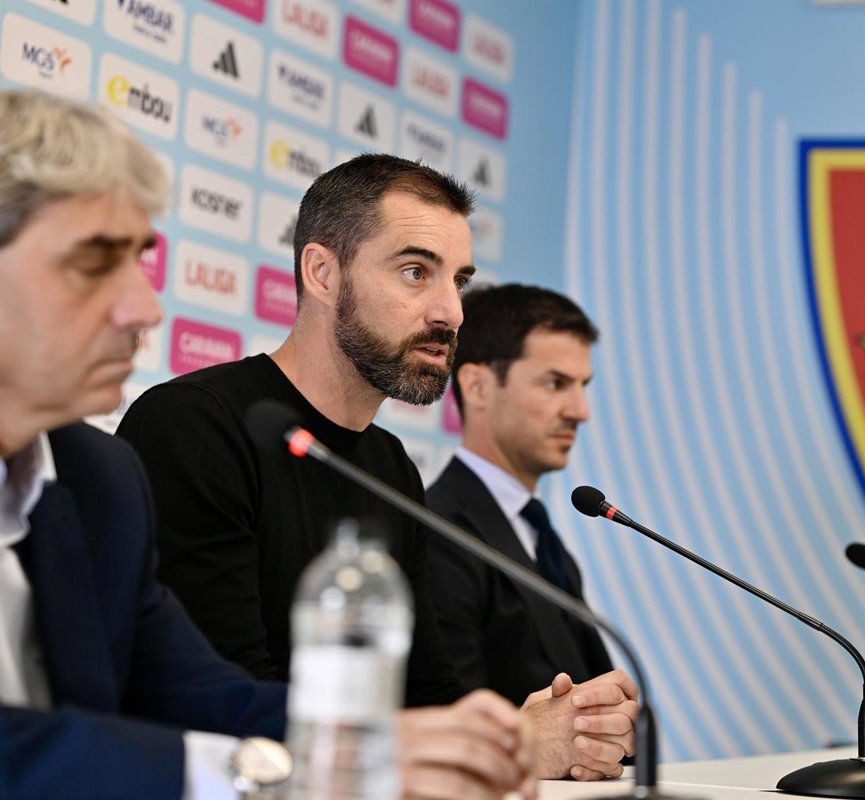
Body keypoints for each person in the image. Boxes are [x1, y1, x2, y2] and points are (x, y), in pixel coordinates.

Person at [0, 90, 534, 800]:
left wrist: (406, 748)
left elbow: (198, 692)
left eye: (138, 260)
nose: (144, 307)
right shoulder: (188, 427)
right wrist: (251, 768)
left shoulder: (94, 477)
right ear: (321, 272)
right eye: (93, 263)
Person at [117, 155, 637, 780]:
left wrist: (524, 730)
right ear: (322, 272)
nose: (452, 312)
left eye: (458, 281)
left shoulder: (390, 467)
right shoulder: (193, 427)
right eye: (416, 272)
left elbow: (424, 689)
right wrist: (512, 743)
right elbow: (220, 705)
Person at [426, 285, 615, 708]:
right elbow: (453, 720)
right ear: (477, 387)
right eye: (555, 383)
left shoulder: (544, 541)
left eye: (583, 385)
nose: (580, 410)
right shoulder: (437, 532)